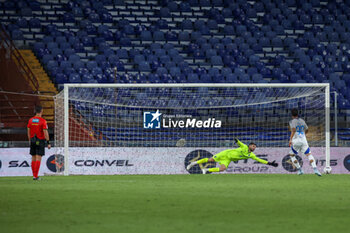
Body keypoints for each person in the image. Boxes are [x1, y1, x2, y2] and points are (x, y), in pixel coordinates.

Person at [186, 138, 278, 174]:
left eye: (255, 147)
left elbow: (259, 159)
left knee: (222, 169)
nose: (254, 148)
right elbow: (239, 142)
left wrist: (269, 163)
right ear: (250, 145)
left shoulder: (251, 155)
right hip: (225, 153)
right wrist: (236, 140)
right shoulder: (244, 146)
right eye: (253, 146)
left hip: (228, 159)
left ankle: (206, 170)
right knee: (210, 160)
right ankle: (193, 163)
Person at [288, 108, 321, 176]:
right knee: (309, 154)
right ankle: (315, 169)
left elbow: (293, 130)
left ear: (292, 115)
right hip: (303, 140)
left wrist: (290, 139)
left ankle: (300, 170)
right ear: (298, 114)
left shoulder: (292, 121)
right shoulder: (302, 121)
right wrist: (303, 135)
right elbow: (307, 129)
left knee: (292, 155)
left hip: (296, 141)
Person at [27, 105, 51, 180]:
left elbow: (28, 131)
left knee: (33, 157)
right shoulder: (43, 121)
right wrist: (48, 142)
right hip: (40, 140)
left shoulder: (30, 120)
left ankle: (34, 175)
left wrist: (29, 140)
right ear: (41, 111)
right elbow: (45, 132)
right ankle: (36, 176)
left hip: (32, 140)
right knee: (38, 157)